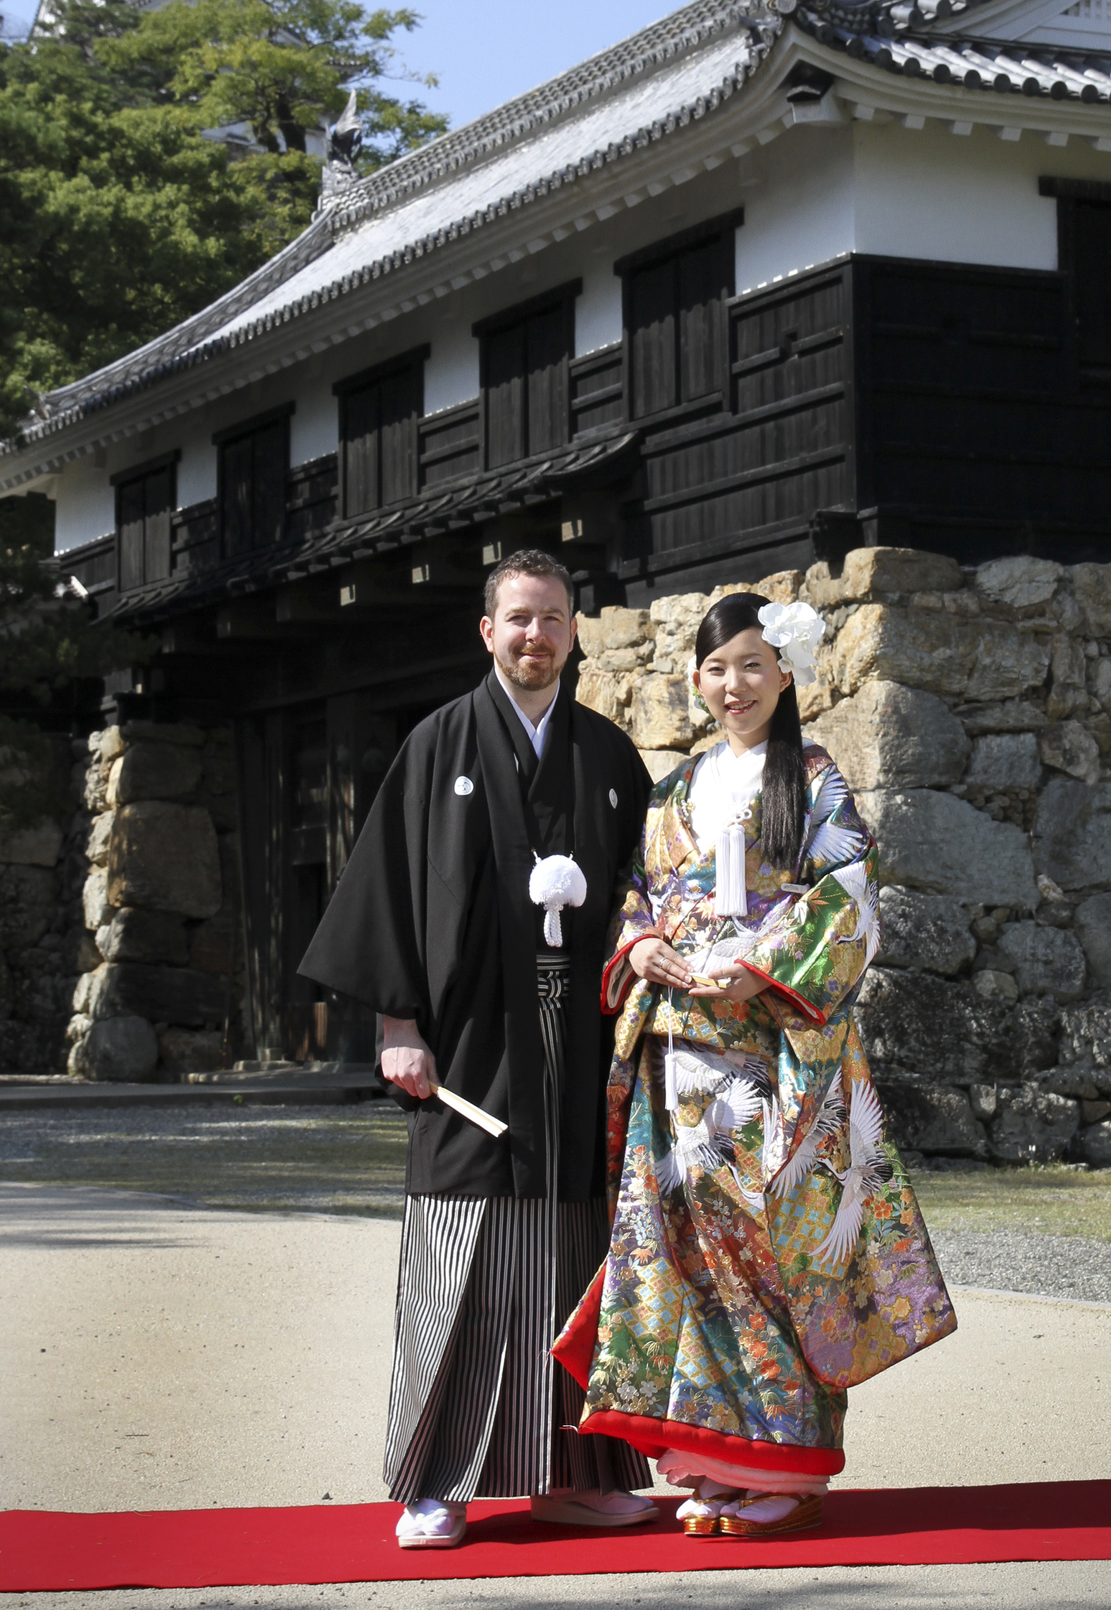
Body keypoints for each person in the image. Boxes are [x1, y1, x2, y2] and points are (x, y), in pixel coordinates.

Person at [554, 591, 957, 1538]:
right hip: (680, 1053)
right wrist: (642, 943)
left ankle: (790, 1459)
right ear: (696, 679)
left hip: (772, 1048)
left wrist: (763, 966)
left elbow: (850, 896)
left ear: (784, 673)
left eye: (751, 665)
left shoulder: (813, 779)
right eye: (716, 668)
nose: (733, 685)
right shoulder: (674, 788)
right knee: (688, 1245)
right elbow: (635, 891)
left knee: (771, 1247)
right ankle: (717, 1458)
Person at [298, 550, 657, 1550]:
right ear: (487, 631)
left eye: (553, 618)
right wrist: (396, 1024)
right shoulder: (438, 744)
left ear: (575, 631)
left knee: (577, 1254)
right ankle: (436, 1484)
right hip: (467, 1047)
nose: (536, 635)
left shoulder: (608, 757)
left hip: (578, 1046)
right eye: (518, 618)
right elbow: (387, 887)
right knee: (461, 1255)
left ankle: (576, 1474)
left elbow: (649, 892)